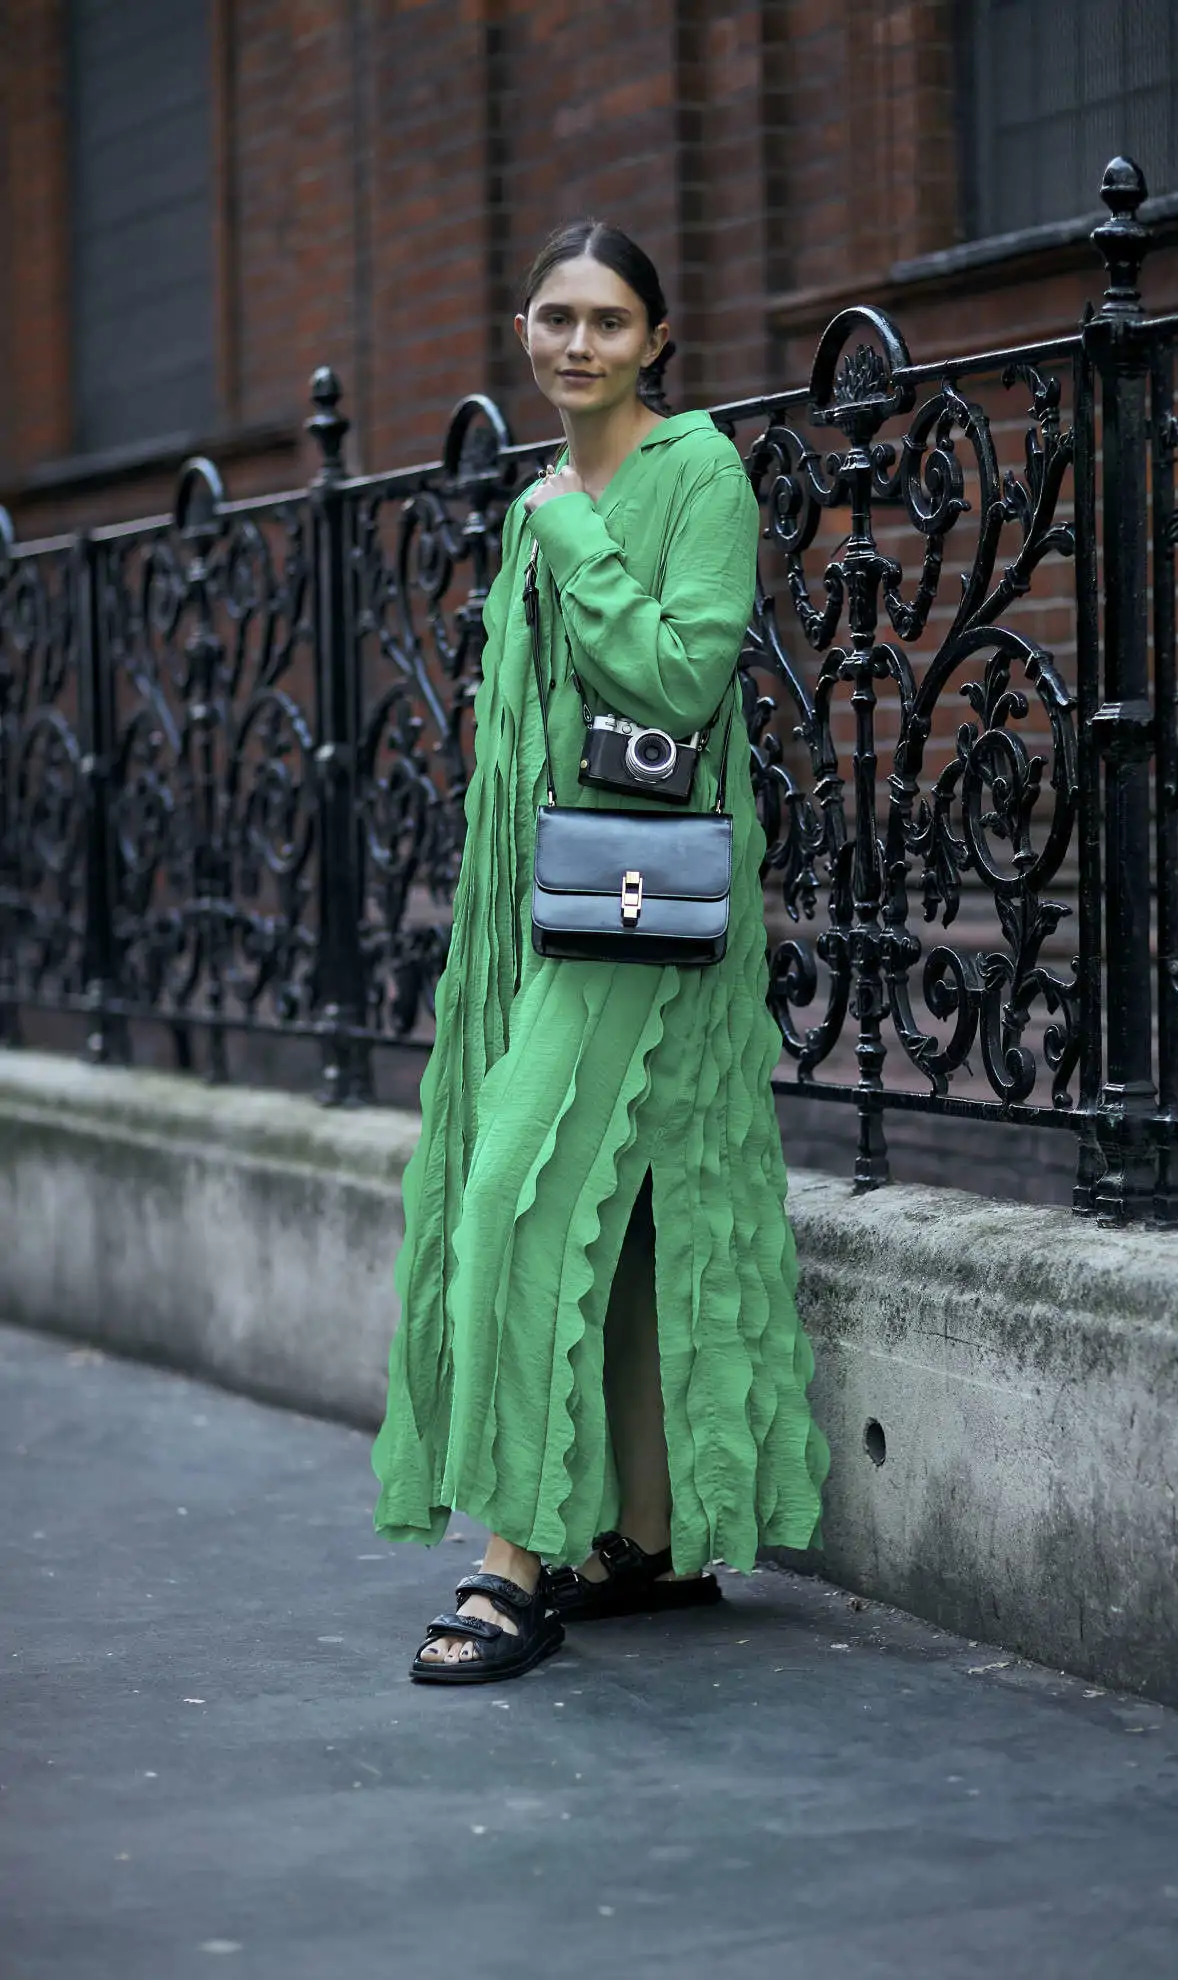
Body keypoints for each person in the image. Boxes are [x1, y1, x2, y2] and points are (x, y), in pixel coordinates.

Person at [370, 219, 829, 1684]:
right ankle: (645, 1534)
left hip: (651, 899)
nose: (579, 343)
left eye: (610, 321)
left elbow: (686, 676)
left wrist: (573, 533)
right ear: (523, 332)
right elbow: (517, 733)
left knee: (515, 1191)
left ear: (655, 344)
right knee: (615, 1220)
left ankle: (514, 1565)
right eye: (557, 317)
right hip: (553, 904)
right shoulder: (534, 501)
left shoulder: (694, 474)